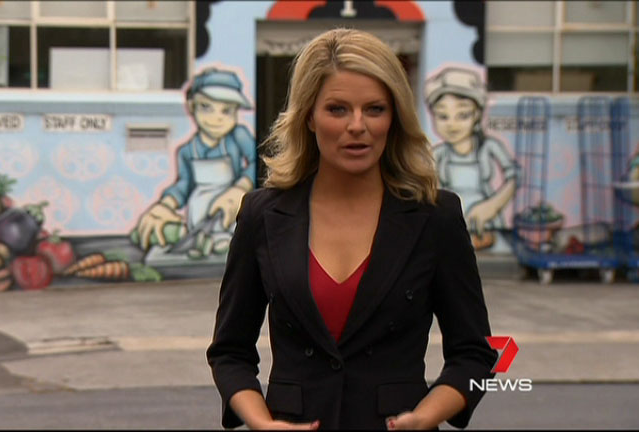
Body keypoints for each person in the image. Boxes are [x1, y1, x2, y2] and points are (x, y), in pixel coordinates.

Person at [206, 29, 497, 430]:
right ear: (309, 116)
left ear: (394, 118)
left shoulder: (436, 216)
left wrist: (425, 416)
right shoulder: (262, 215)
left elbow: (476, 354)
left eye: (374, 109)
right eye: (338, 109)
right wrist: (262, 423)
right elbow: (230, 352)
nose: (357, 125)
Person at [132, 68, 256, 256]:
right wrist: (164, 205)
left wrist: (240, 189)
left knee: (230, 241)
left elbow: (259, 162)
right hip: (199, 214)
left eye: (227, 111)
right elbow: (184, 185)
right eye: (206, 107)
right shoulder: (187, 151)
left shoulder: (239, 136)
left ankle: (220, 242)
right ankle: (204, 243)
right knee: (197, 244)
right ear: (191, 106)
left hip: (230, 210)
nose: (217, 117)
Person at [424, 68, 517, 251]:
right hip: (451, 226)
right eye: (443, 116)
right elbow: (429, 189)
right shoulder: (439, 154)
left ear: (477, 115)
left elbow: (513, 176)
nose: (452, 124)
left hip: (486, 226)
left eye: (463, 115)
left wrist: (491, 206)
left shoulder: (489, 147)